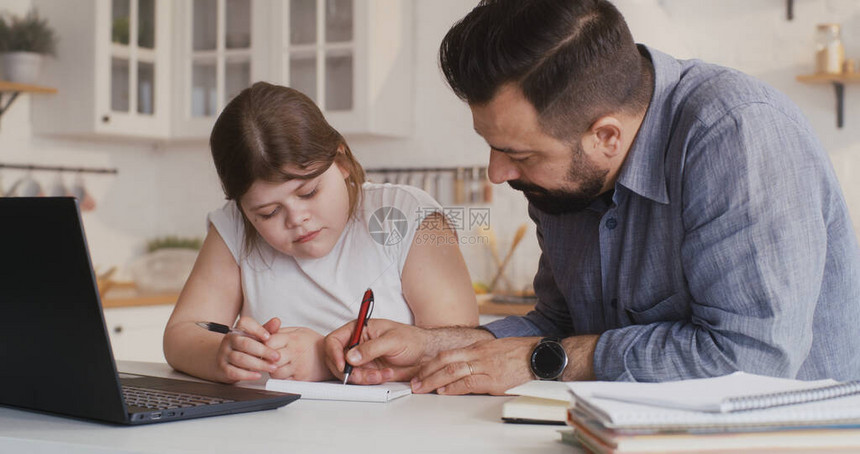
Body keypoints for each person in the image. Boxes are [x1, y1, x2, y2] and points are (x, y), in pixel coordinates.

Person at [324, 0, 860, 394]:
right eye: (492, 147)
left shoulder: (737, 135)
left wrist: (545, 360)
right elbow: (560, 324)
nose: (497, 172)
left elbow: (752, 359)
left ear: (606, 136)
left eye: (519, 153)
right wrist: (433, 345)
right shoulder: (559, 179)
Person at [163, 82, 479, 384]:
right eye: (268, 213)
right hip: (268, 432)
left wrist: (325, 359)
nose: (297, 219)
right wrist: (219, 354)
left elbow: (459, 352)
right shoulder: (234, 226)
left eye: (310, 192)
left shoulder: (408, 213)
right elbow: (181, 334)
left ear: (340, 161)